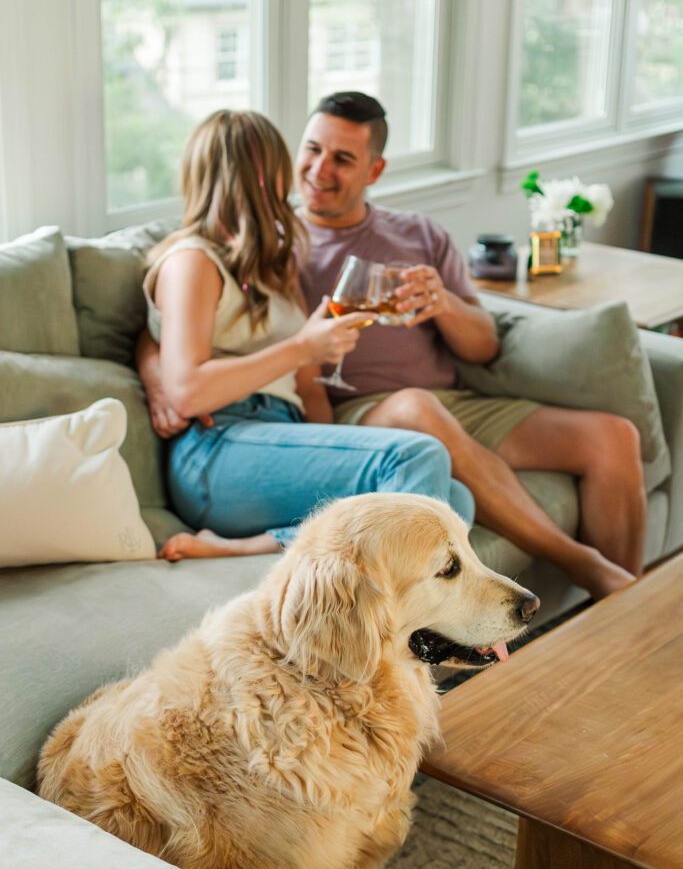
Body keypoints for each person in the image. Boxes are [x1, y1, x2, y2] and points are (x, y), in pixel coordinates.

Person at [139, 95, 645, 600]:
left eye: (342, 158)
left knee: (596, 444)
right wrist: (155, 369)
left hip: (424, 404)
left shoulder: (398, 236)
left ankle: (627, 614)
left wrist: (442, 302)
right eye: (310, 151)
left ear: (374, 170)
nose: (316, 170)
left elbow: (485, 346)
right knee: (420, 426)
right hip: (367, 415)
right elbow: (172, 315)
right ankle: (576, 565)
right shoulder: (279, 244)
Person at [137, 107, 475, 561]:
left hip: (282, 436)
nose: (295, 181)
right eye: (281, 170)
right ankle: (410, 627)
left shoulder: (269, 265)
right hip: (219, 449)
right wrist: (301, 347)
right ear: (258, 180)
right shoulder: (191, 261)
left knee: (453, 500)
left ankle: (259, 545)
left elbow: (309, 386)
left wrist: (340, 455)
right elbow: (187, 391)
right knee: (416, 459)